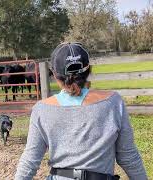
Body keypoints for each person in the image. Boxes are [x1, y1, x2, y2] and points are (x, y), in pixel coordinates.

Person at [14, 42, 147, 180]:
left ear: (54, 74)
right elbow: (129, 157)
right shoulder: (113, 102)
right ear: (89, 70)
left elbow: (29, 161)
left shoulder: (41, 110)